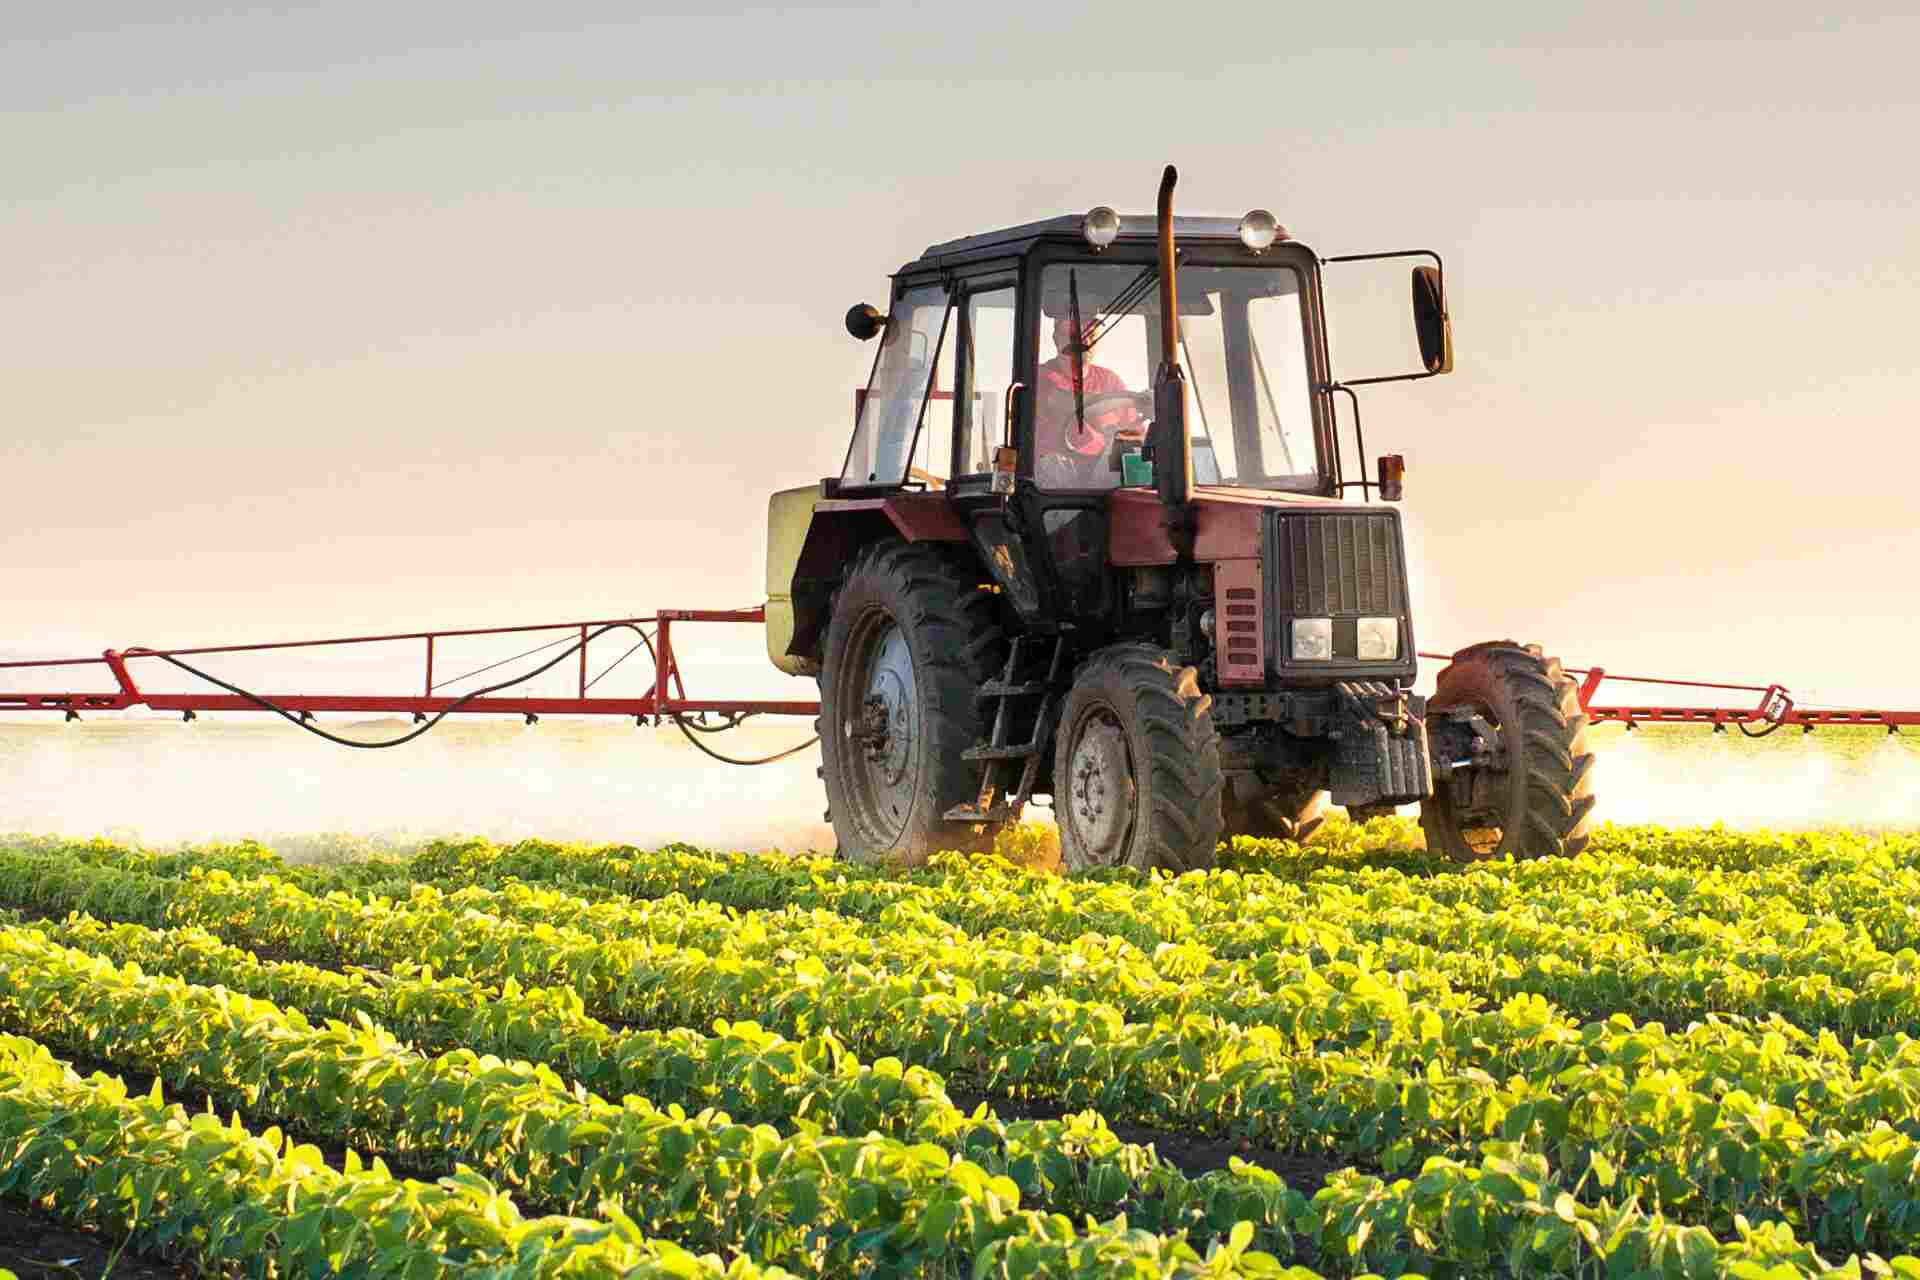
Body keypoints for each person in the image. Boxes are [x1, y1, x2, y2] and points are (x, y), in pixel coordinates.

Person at [1034, 314, 1144, 487]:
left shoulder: (1110, 380)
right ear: (1057, 339)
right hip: (1057, 480)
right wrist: (1132, 400)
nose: (1085, 341)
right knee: (1052, 465)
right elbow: (1068, 403)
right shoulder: (1041, 377)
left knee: (1133, 456)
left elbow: (1135, 432)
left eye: (1091, 334)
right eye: (1074, 335)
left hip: (1101, 472)